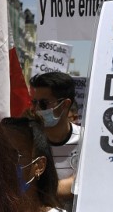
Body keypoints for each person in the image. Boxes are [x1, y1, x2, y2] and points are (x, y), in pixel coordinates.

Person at [29, 72, 80, 205]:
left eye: (44, 103)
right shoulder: (27, 141)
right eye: (34, 103)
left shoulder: (86, 141)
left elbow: (89, 182)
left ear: (65, 104)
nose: (36, 109)